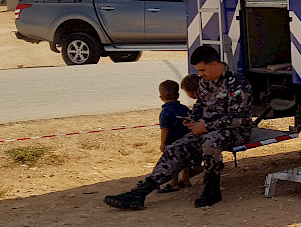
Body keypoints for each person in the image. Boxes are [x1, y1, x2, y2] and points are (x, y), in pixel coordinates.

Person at [104, 45, 253, 210]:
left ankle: (212, 189)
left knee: (211, 142)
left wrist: (206, 126)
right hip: (206, 128)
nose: (201, 74)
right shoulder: (205, 82)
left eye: (203, 70)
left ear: (215, 64)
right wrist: (192, 118)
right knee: (176, 148)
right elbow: (200, 105)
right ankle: (140, 192)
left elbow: (237, 119)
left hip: (235, 131)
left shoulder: (238, 84)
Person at [155, 80, 192, 193]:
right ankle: (185, 180)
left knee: (173, 163)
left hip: (172, 141)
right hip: (186, 139)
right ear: (178, 95)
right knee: (186, 161)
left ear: (161, 97)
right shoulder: (184, 108)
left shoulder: (165, 112)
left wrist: (162, 143)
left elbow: (165, 128)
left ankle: (173, 183)